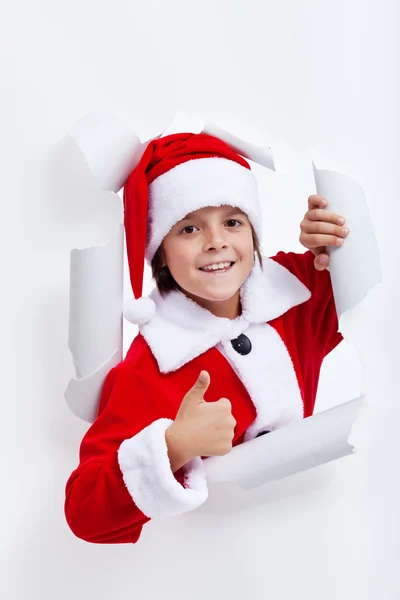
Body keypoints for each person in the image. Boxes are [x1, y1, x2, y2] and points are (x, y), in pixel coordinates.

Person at [64, 132, 348, 544]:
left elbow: (377, 292)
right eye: (190, 228)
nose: (216, 242)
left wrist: (336, 238)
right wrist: (173, 446)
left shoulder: (297, 292)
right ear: (159, 250)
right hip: (224, 563)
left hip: (318, 535)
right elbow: (84, 511)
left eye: (233, 222)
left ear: (253, 233)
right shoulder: (153, 366)